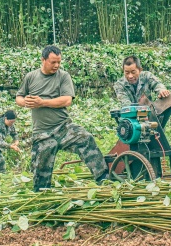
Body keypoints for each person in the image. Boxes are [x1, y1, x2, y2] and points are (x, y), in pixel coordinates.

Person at [17, 45, 108, 191]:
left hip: (63, 127)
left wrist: (42, 102)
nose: (57, 65)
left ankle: (103, 178)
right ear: (43, 60)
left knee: (86, 138)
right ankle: (42, 195)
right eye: (53, 62)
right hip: (42, 133)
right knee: (40, 175)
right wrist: (25, 102)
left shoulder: (63, 76)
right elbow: (19, 97)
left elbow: (67, 100)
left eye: (59, 62)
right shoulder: (31, 77)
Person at [114, 56, 171, 177]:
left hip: (149, 119)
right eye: (127, 72)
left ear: (140, 70)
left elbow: (157, 84)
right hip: (132, 122)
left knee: (155, 144)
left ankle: (156, 172)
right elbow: (126, 106)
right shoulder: (119, 85)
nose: (130, 76)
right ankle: (139, 173)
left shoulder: (147, 76)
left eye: (133, 72)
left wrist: (162, 91)